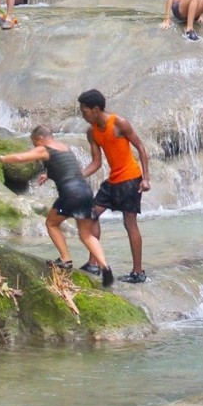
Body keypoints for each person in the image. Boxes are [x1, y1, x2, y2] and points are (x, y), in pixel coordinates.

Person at [0, 125, 114, 287]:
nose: (35, 148)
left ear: (40, 139)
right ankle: (104, 266)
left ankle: (65, 259)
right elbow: (66, 168)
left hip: (70, 193)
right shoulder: (64, 148)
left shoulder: (44, 148)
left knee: (51, 223)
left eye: (35, 144)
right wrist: (48, 175)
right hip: (85, 191)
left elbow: (21, 158)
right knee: (86, 234)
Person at [78, 89, 151, 284]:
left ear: (95, 109)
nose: (82, 116)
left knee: (129, 223)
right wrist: (78, 175)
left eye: (84, 111)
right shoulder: (92, 132)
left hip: (130, 179)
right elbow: (96, 163)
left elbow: (141, 148)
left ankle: (138, 272)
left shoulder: (119, 123)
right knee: (90, 214)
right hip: (112, 181)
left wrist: (146, 179)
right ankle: (93, 263)